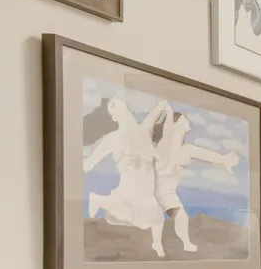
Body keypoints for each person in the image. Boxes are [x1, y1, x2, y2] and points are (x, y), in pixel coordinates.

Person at [83, 96, 171, 257]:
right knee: (133, 211)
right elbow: (91, 160)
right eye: (114, 107)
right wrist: (81, 166)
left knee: (157, 217)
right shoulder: (113, 138)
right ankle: (97, 199)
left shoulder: (142, 130)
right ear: (113, 117)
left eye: (119, 104)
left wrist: (162, 107)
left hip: (146, 188)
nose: (120, 108)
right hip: (130, 186)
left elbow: (154, 115)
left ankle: (156, 243)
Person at [153, 109, 241, 252]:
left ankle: (185, 243)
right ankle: (181, 244)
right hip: (157, 190)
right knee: (177, 217)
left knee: (181, 217)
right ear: (175, 124)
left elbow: (204, 154)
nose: (188, 121)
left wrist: (224, 160)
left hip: (167, 192)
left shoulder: (186, 149)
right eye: (184, 119)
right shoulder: (164, 146)